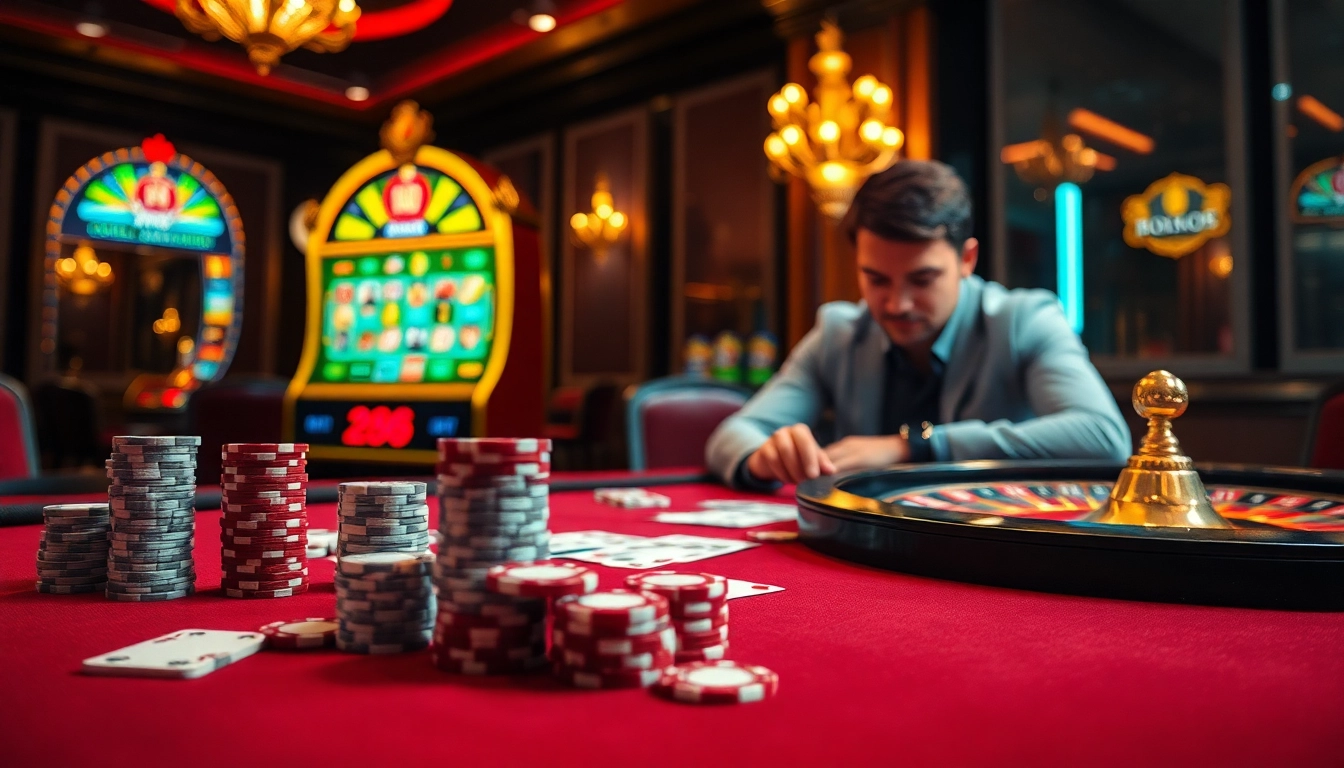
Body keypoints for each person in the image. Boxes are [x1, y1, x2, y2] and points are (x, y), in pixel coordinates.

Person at [706, 160, 1130, 489]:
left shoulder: (1024, 320)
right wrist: (762, 458)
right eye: (875, 279)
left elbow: (1104, 438)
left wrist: (913, 446)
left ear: (967, 259)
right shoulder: (839, 331)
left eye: (922, 280)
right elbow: (734, 433)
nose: (896, 303)